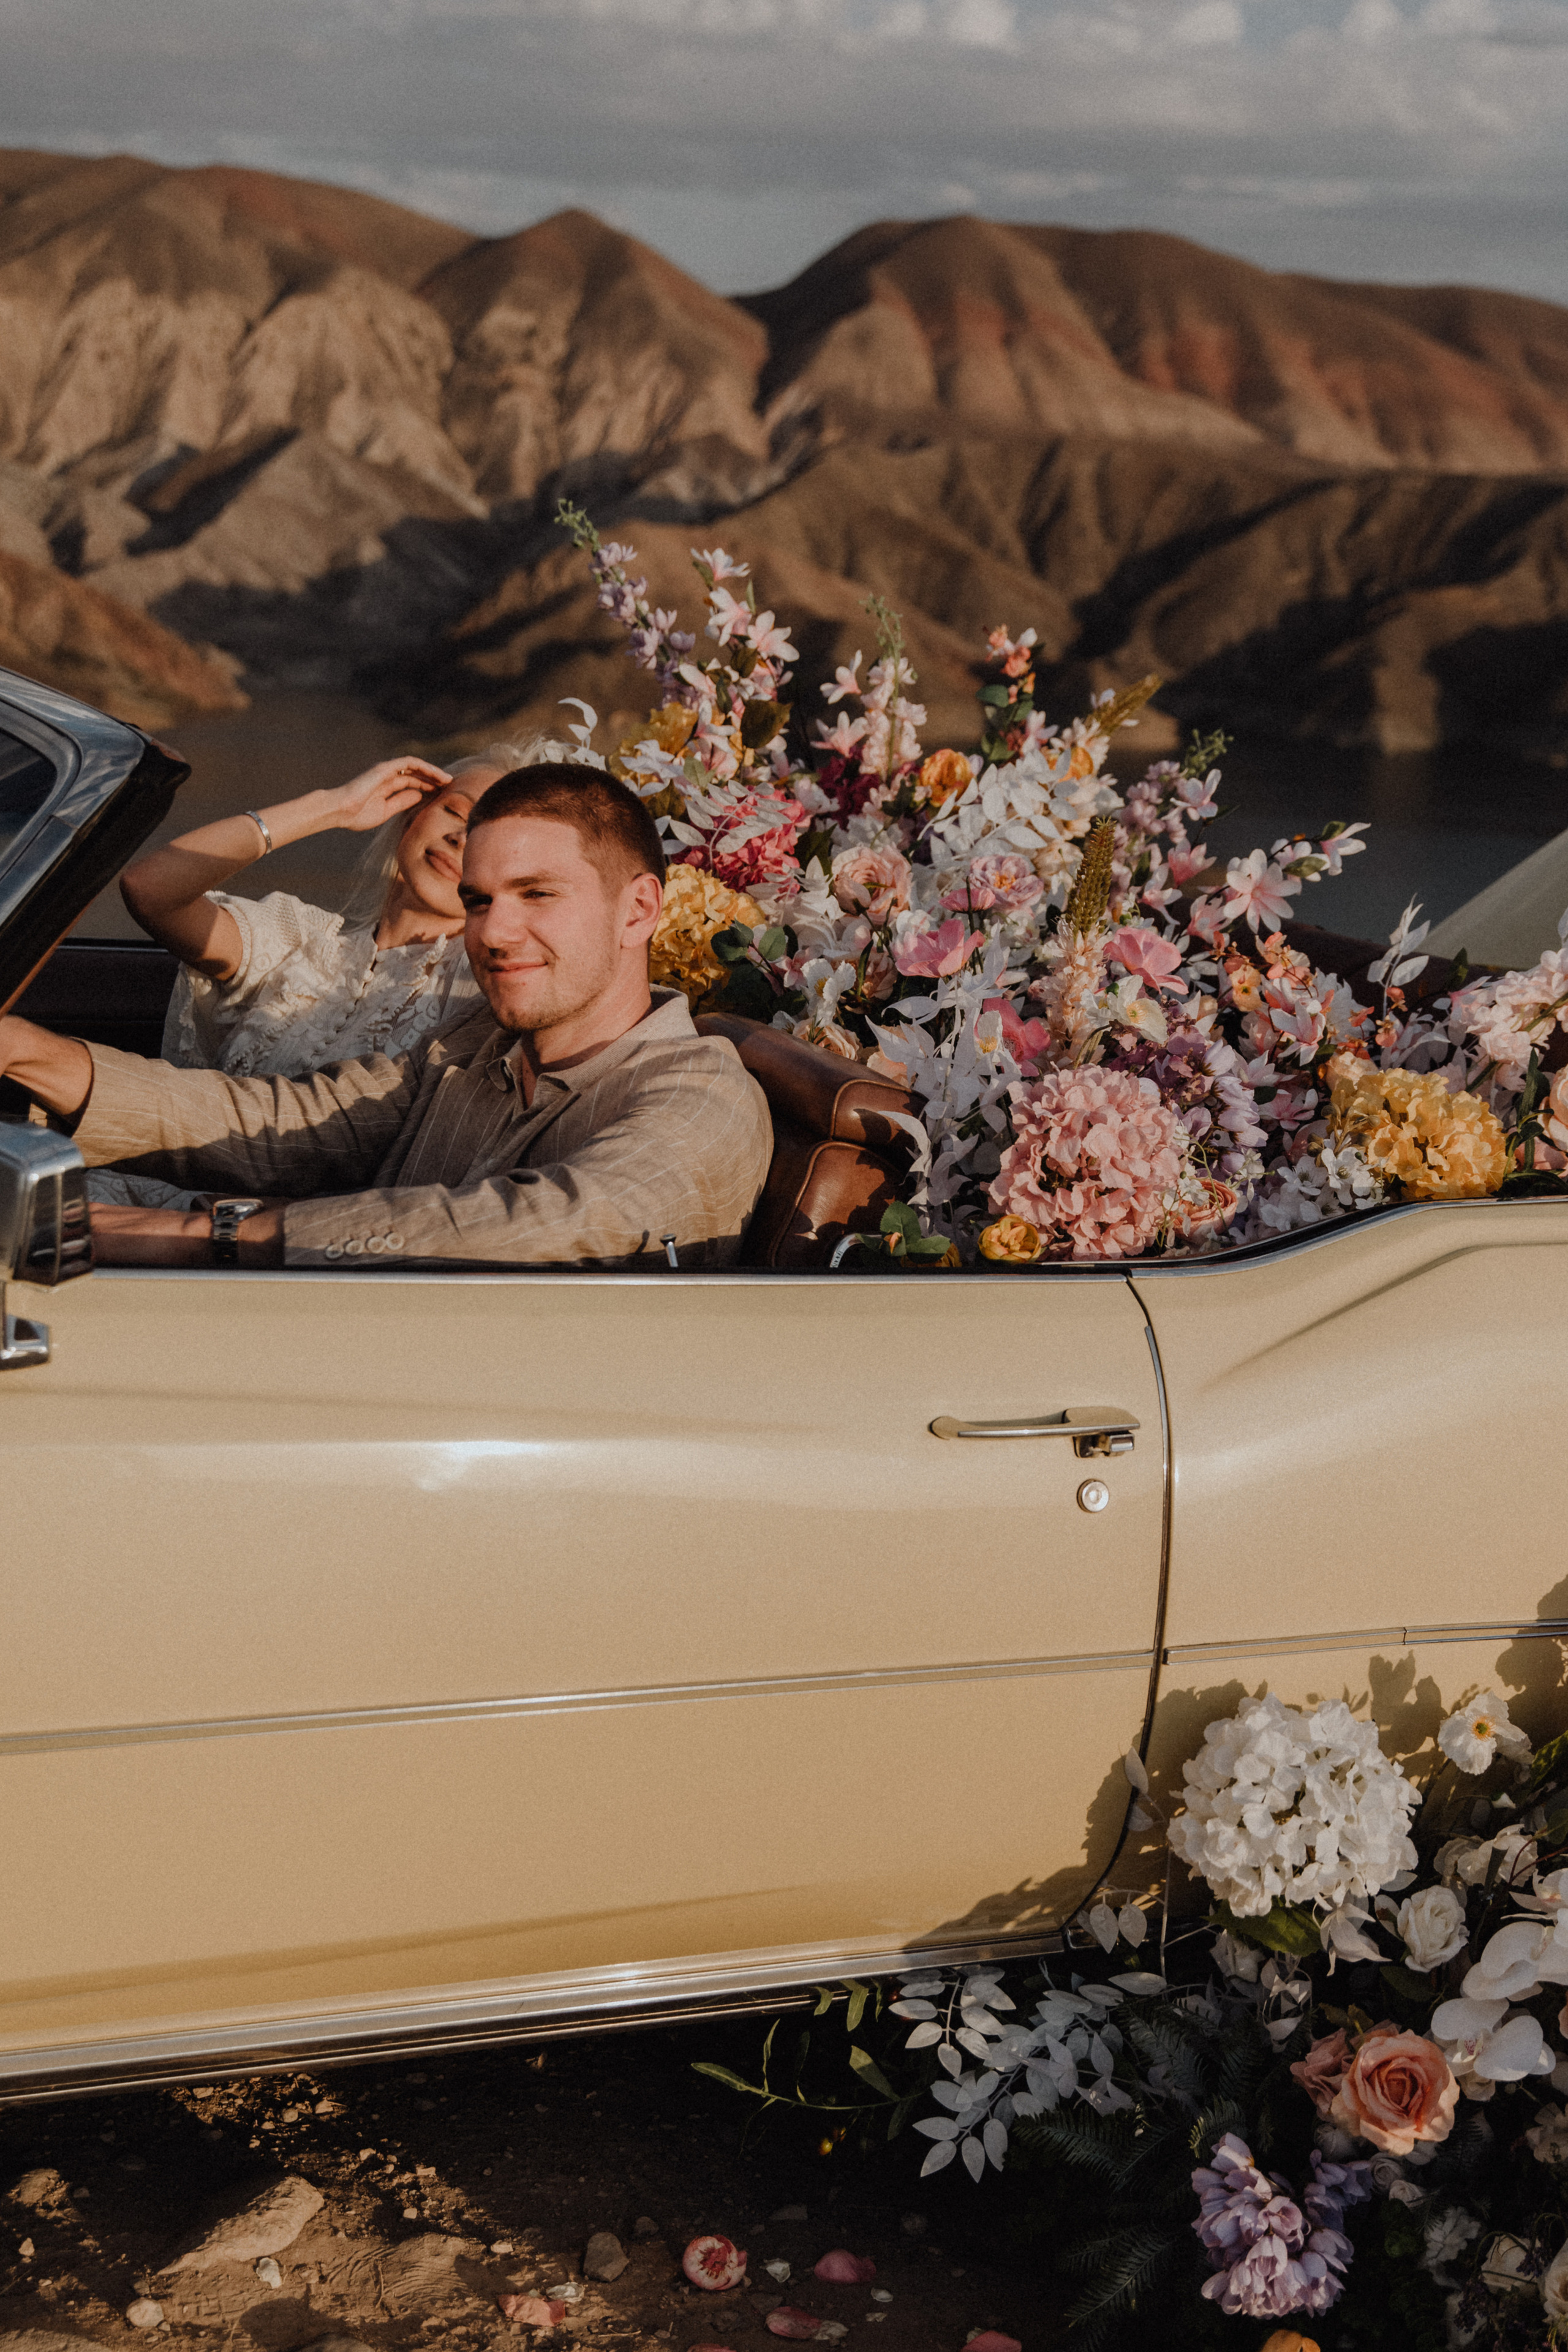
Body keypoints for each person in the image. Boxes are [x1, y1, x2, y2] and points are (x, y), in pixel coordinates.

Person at [0, 764, 774, 1271]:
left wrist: (210, 1234)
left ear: (638, 909)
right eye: (478, 901)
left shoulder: (700, 1096)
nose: (493, 933)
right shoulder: (476, 1049)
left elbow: (548, 1221)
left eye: (537, 894)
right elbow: (284, 1125)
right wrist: (22, 1051)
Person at [119, 747, 534, 1080]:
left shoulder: (480, 986)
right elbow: (152, 891)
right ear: (414, 812)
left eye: (489, 838)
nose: (461, 838)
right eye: (456, 812)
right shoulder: (297, 939)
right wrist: (336, 806)